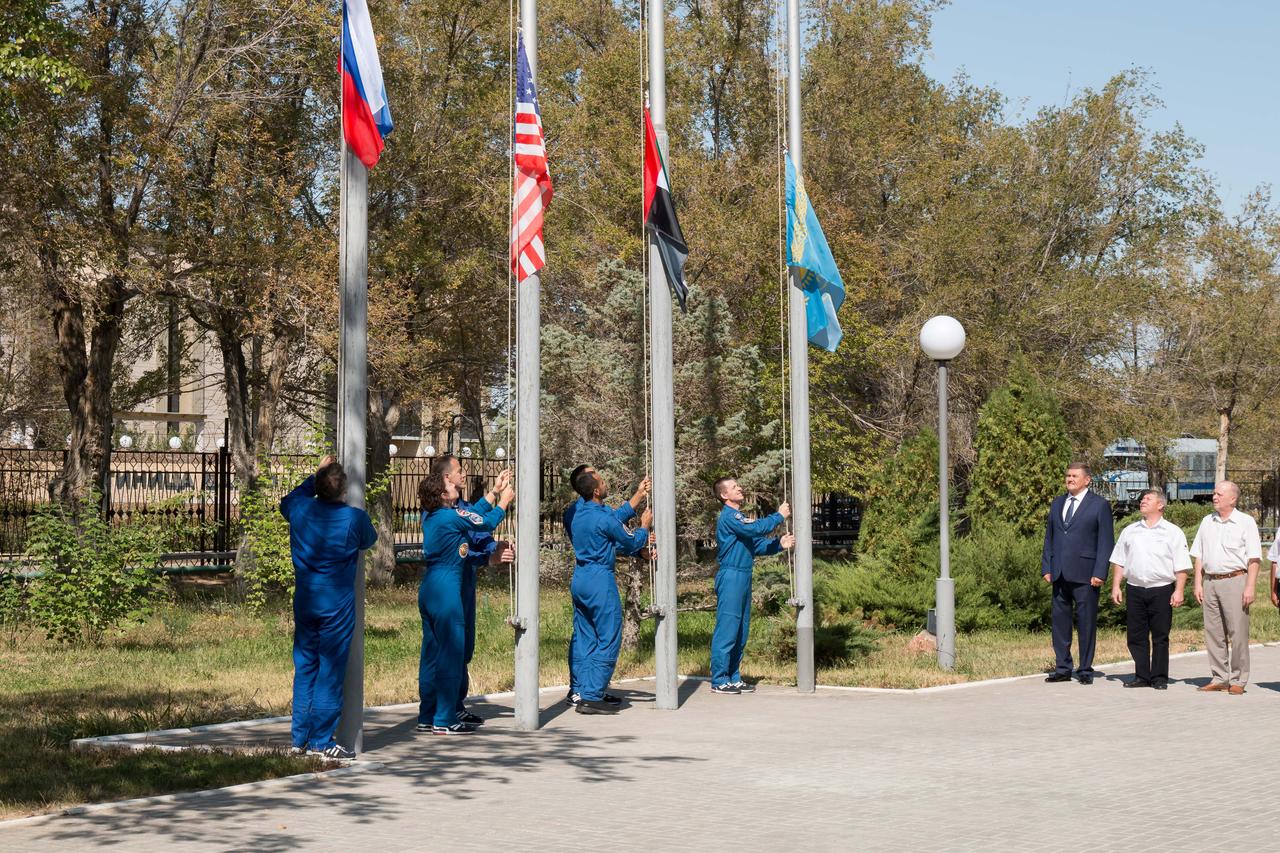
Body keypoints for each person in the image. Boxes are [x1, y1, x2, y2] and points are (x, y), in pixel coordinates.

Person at [280, 455, 377, 760]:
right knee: (330, 671)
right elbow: (369, 541)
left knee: (305, 667)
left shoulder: (301, 509)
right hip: (336, 604)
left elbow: (289, 499)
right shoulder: (353, 518)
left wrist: (316, 474)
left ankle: (299, 740)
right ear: (343, 490)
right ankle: (322, 741)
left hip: (306, 599)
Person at [417, 471, 513, 734]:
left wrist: (493, 492)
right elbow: (485, 522)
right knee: (451, 654)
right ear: (442, 494)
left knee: (432, 654)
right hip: (447, 590)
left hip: (429, 589)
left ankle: (427, 715)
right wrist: (504, 501)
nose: (453, 482)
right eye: (449, 482)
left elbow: (472, 515)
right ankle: (445, 719)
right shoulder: (450, 516)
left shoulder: (437, 517)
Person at [561, 465, 650, 707]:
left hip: (581, 577)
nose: (603, 480)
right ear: (596, 490)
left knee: (585, 635)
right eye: (599, 477)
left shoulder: (576, 514)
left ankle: (582, 689)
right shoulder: (600, 516)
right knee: (609, 635)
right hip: (600, 579)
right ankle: (591, 694)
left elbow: (610, 523)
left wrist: (638, 495)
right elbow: (628, 538)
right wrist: (644, 526)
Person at [709, 478, 794, 695]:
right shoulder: (730, 516)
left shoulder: (740, 519)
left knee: (741, 629)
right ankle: (719, 680)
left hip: (744, 575)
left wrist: (778, 544)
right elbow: (757, 529)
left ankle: (733, 677)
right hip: (731, 576)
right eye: (734, 487)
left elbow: (755, 544)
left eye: (738, 485)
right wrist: (778, 516)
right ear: (724, 495)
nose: (740, 488)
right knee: (728, 628)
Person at [1108, 488, 1190, 690]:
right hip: (1135, 588)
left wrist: (1178, 590)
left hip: (1161, 589)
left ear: (1160, 505)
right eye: (1142, 499)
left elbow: (1181, 565)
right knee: (1135, 636)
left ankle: (1160, 677)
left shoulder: (1173, 532)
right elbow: (1119, 560)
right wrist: (1116, 586)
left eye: (1148, 498)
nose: (1142, 501)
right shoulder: (1130, 530)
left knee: (1160, 636)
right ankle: (1142, 675)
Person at [1042, 461, 1114, 685]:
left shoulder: (1099, 505)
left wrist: (1100, 571)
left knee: (1086, 623)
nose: (1070, 479)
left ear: (1087, 480)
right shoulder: (1058, 503)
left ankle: (1084, 669)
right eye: (1068, 476)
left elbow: (1105, 542)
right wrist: (1047, 566)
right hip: (1060, 574)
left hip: (1086, 574)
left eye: (1074, 476)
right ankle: (1063, 668)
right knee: (1060, 624)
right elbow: (1050, 537)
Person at [1191, 481, 1261, 695]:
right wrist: (1197, 582)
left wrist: (1250, 587)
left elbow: (1254, 558)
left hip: (1235, 580)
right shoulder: (1207, 521)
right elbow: (1199, 555)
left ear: (1233, 498)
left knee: (1237, 632)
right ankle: (1220, 677)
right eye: (1214, 493)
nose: (1214, 497)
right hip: (1210, 581)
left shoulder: (1245, 522)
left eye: (1219, 494)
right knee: (1213, 632)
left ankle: (1238, 679)